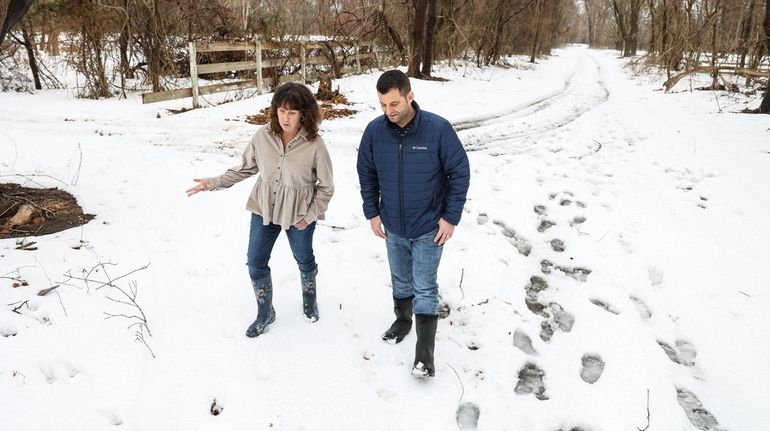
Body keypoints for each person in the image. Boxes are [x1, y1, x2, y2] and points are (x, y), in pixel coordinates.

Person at [187, 83, 334, 338]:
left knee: (304, 258)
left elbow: (326, 187)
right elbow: (244, 168)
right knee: (255, 262)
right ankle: (265, 311)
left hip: (298, 214)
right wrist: (213, 182)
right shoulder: (262, 136)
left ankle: (309, 298)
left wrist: (308, 217)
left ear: (304, 113)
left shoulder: (315, 145)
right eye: (281, 111)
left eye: (292, 112)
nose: (285, 118)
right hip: (264, 209)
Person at [357, 70, 470, 377]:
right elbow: (366, 174)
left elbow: (459, 173)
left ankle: (424, 353)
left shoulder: (437, 130)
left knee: (424, 285)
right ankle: (403, 320)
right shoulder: (374, 132)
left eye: (394, 104)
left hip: (429, 227)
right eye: (382, 105)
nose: (389, 111)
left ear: (410, 96)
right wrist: (373, 212)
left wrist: (450, 217)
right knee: (401, 280)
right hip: (393, 225)